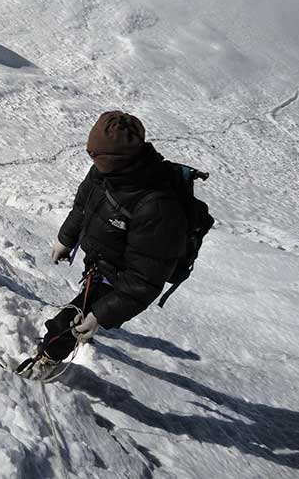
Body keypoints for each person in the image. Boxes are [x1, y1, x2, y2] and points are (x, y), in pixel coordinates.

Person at [15, 111, 186, 381]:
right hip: (100, 259)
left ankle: (48, 358)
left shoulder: (156, 207)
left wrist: (101, 314)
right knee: (79, 314)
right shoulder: (104, 172)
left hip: (120, 276)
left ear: (117, 160)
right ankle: (74, 334)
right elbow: (83, 206)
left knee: (66, 324)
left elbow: (144, 279)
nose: (91, 161)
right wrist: (66, 238)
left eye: (96, 156)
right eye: (91, 154)